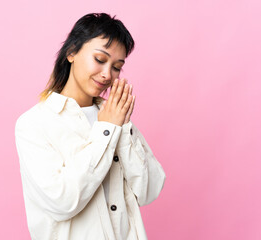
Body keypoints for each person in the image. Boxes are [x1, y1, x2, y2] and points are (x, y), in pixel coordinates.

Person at [15, 12, 166, 240]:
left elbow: (150, 191)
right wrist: (107, 130)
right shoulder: (34, 123)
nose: (107, 74)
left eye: (117, 67)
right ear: (72, 52)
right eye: (100, 59)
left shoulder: (116, 116)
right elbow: (63, 201)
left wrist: (123, 128)